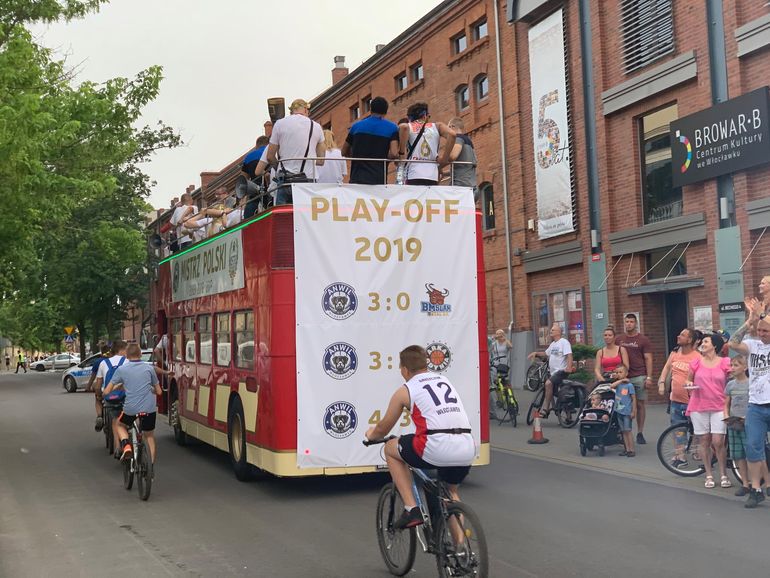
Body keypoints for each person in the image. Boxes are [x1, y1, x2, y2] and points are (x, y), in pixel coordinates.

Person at [364, 345, 475, 529]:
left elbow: (384, 427)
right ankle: (461, 550)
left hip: (435, 446)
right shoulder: (444, 380)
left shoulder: (406, 390)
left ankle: (411, 508)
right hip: (465, 446)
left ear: (405, 369)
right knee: (450, 494)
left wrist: (371, 435)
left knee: (390, 448)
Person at [728, 302, 770, 507]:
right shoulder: (753, 346)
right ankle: (756, 489)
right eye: (760, 330)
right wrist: (749, 322)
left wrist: (762, 314)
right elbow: (732, 343)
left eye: (765, 330)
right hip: (756, 406)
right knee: (753, 447)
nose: (761, 333)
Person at [685, 333, 731, 489]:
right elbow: (688, 379)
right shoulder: (696, 362)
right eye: (702, 341)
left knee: (718, 442)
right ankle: (709, 475)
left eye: (706, 341)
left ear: (715, 345)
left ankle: (724, 474)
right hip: (699, 405)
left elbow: (731, 381)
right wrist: (689, 383)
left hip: (720, 405)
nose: (702, 344)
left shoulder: (725, 362)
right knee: (704, 440)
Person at [103, 343, 162, 464]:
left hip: (130, 409)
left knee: (120, 425)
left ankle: (126, 446)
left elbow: (106, 391)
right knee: (149, 436)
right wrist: (152, 390)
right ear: (140, 354)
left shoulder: (121, 370)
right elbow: (159, 392)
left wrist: (116, 388)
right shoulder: (149, 368)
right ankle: (150, 466)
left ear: (126, 355)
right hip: (149, 409)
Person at [266, 98, 325, 205]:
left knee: (283, 219)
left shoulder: (279, 124)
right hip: (308, 180)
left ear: (291, 111)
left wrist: (279, 167)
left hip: (285, 180)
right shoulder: (316, 127)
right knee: (305, 217)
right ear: (306, 110)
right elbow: (321, 161)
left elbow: (270, 156)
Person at [656, 328, 700, 467]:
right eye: (680, 333)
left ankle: (696, 449)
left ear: (690, 340)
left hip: (692, 400)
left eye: (683, 335)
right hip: (675, 399)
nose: (679, 336)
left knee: (696, 428)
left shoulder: (697, 357)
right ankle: (680, 456)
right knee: (677, 428)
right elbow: (666, 369)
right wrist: (662, 382)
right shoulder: (674, 354)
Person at [341, 96, 399, 185]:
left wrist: (357, 154)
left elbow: (344, 151)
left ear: (371, 109)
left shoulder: (356, 126)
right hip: (379, 178)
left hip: (356, 177)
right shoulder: (392, 128)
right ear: (385, 112)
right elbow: (394, 153)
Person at [615, 313, 653, 445]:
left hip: (639, 376)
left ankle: (640, 432)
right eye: (627, 322)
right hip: (623, 377)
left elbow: (648, 358)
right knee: (622, 404)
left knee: (640, 404)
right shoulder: (619, 339)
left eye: (631, 321)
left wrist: (648, 377)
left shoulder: (643, 339)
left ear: (636, 323)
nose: (629, 324)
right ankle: (625, 431)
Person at [398, 102, 455, 186]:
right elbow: (452, 135)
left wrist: (401, 153)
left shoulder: (409, 126)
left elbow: (403, 127)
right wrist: (444, 159)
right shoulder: (437, 126)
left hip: (413, 173)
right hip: (432, 175)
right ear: (425, 115)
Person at [724, 354, 756, 497]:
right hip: (733, 422)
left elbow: (755, 403)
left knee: (751, 454)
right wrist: (725, 415)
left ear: (745, 367)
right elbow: (726, 403)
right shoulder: (730, 384)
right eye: (732, 365)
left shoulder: (751, 384)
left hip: (747, 423)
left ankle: (755, 482)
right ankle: (745, 484)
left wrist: (747, 417)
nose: (732, 368)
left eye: (736, 365)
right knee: (738, 455)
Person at [528, 323, 573, 418]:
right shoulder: (553, 344)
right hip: (553, 373)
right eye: (551, 330)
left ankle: (546, 408)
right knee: (553, 390)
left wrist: (569, 367)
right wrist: (536, 353)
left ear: (559, 332)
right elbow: (545, 353)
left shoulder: (564, 342)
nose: (551, 331)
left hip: (561, 371)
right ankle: (563, 409)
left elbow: (569, 355)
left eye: (553, 330)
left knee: (548, 384)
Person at [94, 340, 128, 456]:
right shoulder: (127, 361)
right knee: (131, 415)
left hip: (111, 396)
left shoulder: (104, 363)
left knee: (115, 420)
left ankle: (118, 448)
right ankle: (136, 438)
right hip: (127, 395)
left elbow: (98, 385)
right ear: (122, 350)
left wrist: (98, 394)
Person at [445, 117, 478, 199]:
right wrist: (444, 173)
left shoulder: (458, 138)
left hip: (460, 186)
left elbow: (453, 156)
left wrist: (442, 160)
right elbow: (464, 166)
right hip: (471, 186)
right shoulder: (469, 142)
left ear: (451, 127)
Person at [610, 364, 636, 457]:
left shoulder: (630, 385)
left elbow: (633, 399)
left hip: (627, 412)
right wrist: (620, 380)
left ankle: (631, 449)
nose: (618, 374)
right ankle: (626, 449)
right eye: (616, 372)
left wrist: (634, 411)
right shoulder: (618, 384)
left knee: (628, 430)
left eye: (621, 372)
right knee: (623, 431)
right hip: (619, 411)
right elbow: (611, 386)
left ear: (626, 373)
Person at [87, 344, 112, 431]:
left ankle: (99, 416)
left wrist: (88, 386)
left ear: (101, 352)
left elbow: (93, 376)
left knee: (98, 398)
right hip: (116, 387)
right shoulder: (115, 360)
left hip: (103, 387)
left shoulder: (98, 362)